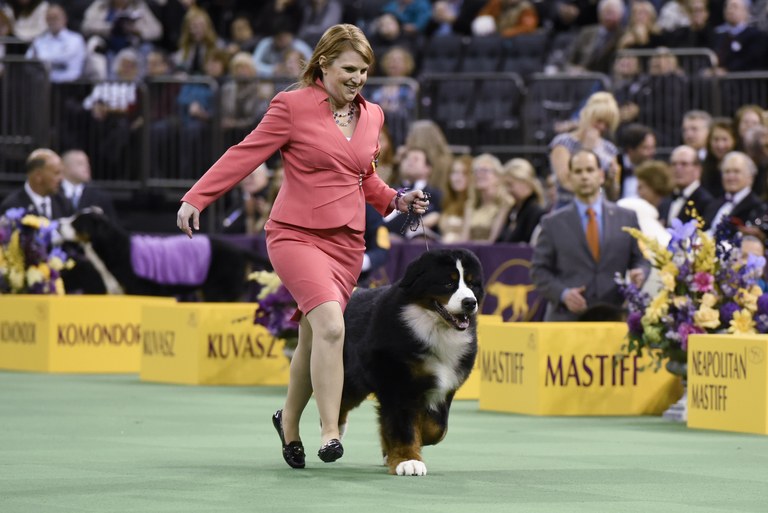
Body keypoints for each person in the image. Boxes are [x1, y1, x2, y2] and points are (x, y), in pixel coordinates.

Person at [176, 24, 429, 469]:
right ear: (324, 63)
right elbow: (245, 152)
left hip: (347, 243)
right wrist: (197, 197)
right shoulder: (291, 106)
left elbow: (364, 177)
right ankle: (330, 431)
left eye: (365, 71)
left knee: (313, 338)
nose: (357, 79)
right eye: (349, 69)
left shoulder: (373, 115)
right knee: (332, 326)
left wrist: (396, 200)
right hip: (295, 234)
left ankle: (287, 421)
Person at [531, 149, 649, 321]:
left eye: (590, 170)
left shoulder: (627, 217)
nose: (584, 176)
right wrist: (563, 294)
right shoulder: (552, 223)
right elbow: (538, 271)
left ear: (601, 175)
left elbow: (641, 258)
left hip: (614, 318)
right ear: (570, 179)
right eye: (578, 171)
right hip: (566, 321)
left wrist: (641, 271)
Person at [0, 148, 73, 219]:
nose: (62, 178)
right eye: (56, 173)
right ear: (38, 176)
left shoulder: (64, 203)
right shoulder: (12, 207)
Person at [658, 145, 714, 226]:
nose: (677, 168)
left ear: (697, 169)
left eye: (684, 164)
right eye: (674, 164)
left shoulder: (706, 203)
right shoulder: (665, 199)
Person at [496, 157, 545, 244]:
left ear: (525, 182)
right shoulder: (513, 211)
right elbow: (498, 241)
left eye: (510, 184)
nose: (508, 190)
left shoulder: (536, 213)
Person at [60, 149, 117, 220]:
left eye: (87, 163)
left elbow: (111, 225)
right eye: (80, 163)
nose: (87, 166)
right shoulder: (52, 192)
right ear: (64, 167)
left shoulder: (100, 196)